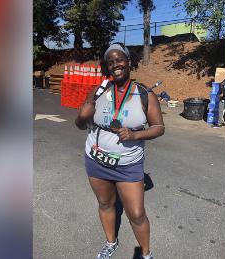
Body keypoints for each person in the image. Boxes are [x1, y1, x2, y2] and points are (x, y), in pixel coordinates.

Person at [75, 43, 165, 259]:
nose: (116, 64)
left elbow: (159, 128)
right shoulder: (98, 92)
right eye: (110, 62)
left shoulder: (144, 94)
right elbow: (80, 125)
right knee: (105, 204)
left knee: (136, 213)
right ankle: (110, 242)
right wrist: (82, 116)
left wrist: (135, 135)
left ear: (129, 62)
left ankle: (145, 254)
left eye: (120, 59)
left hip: (128, 165)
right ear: (106, 67)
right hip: (96, 159)